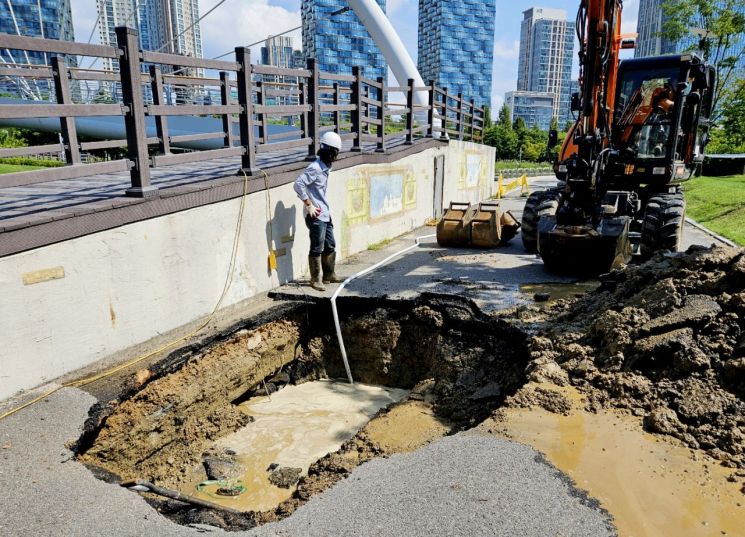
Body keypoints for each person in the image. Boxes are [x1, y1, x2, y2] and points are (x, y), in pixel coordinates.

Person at [294, 131, 344, 291]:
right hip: (315, 215)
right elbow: (298, 184)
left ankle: (329, 274)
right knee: (317, 247)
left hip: (325, 213)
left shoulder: (326, 166)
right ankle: (315, 279)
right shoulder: (315, 168)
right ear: (329, 150)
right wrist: (308, 204)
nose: (336, 157)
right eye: (335, 153)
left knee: (330, 245)